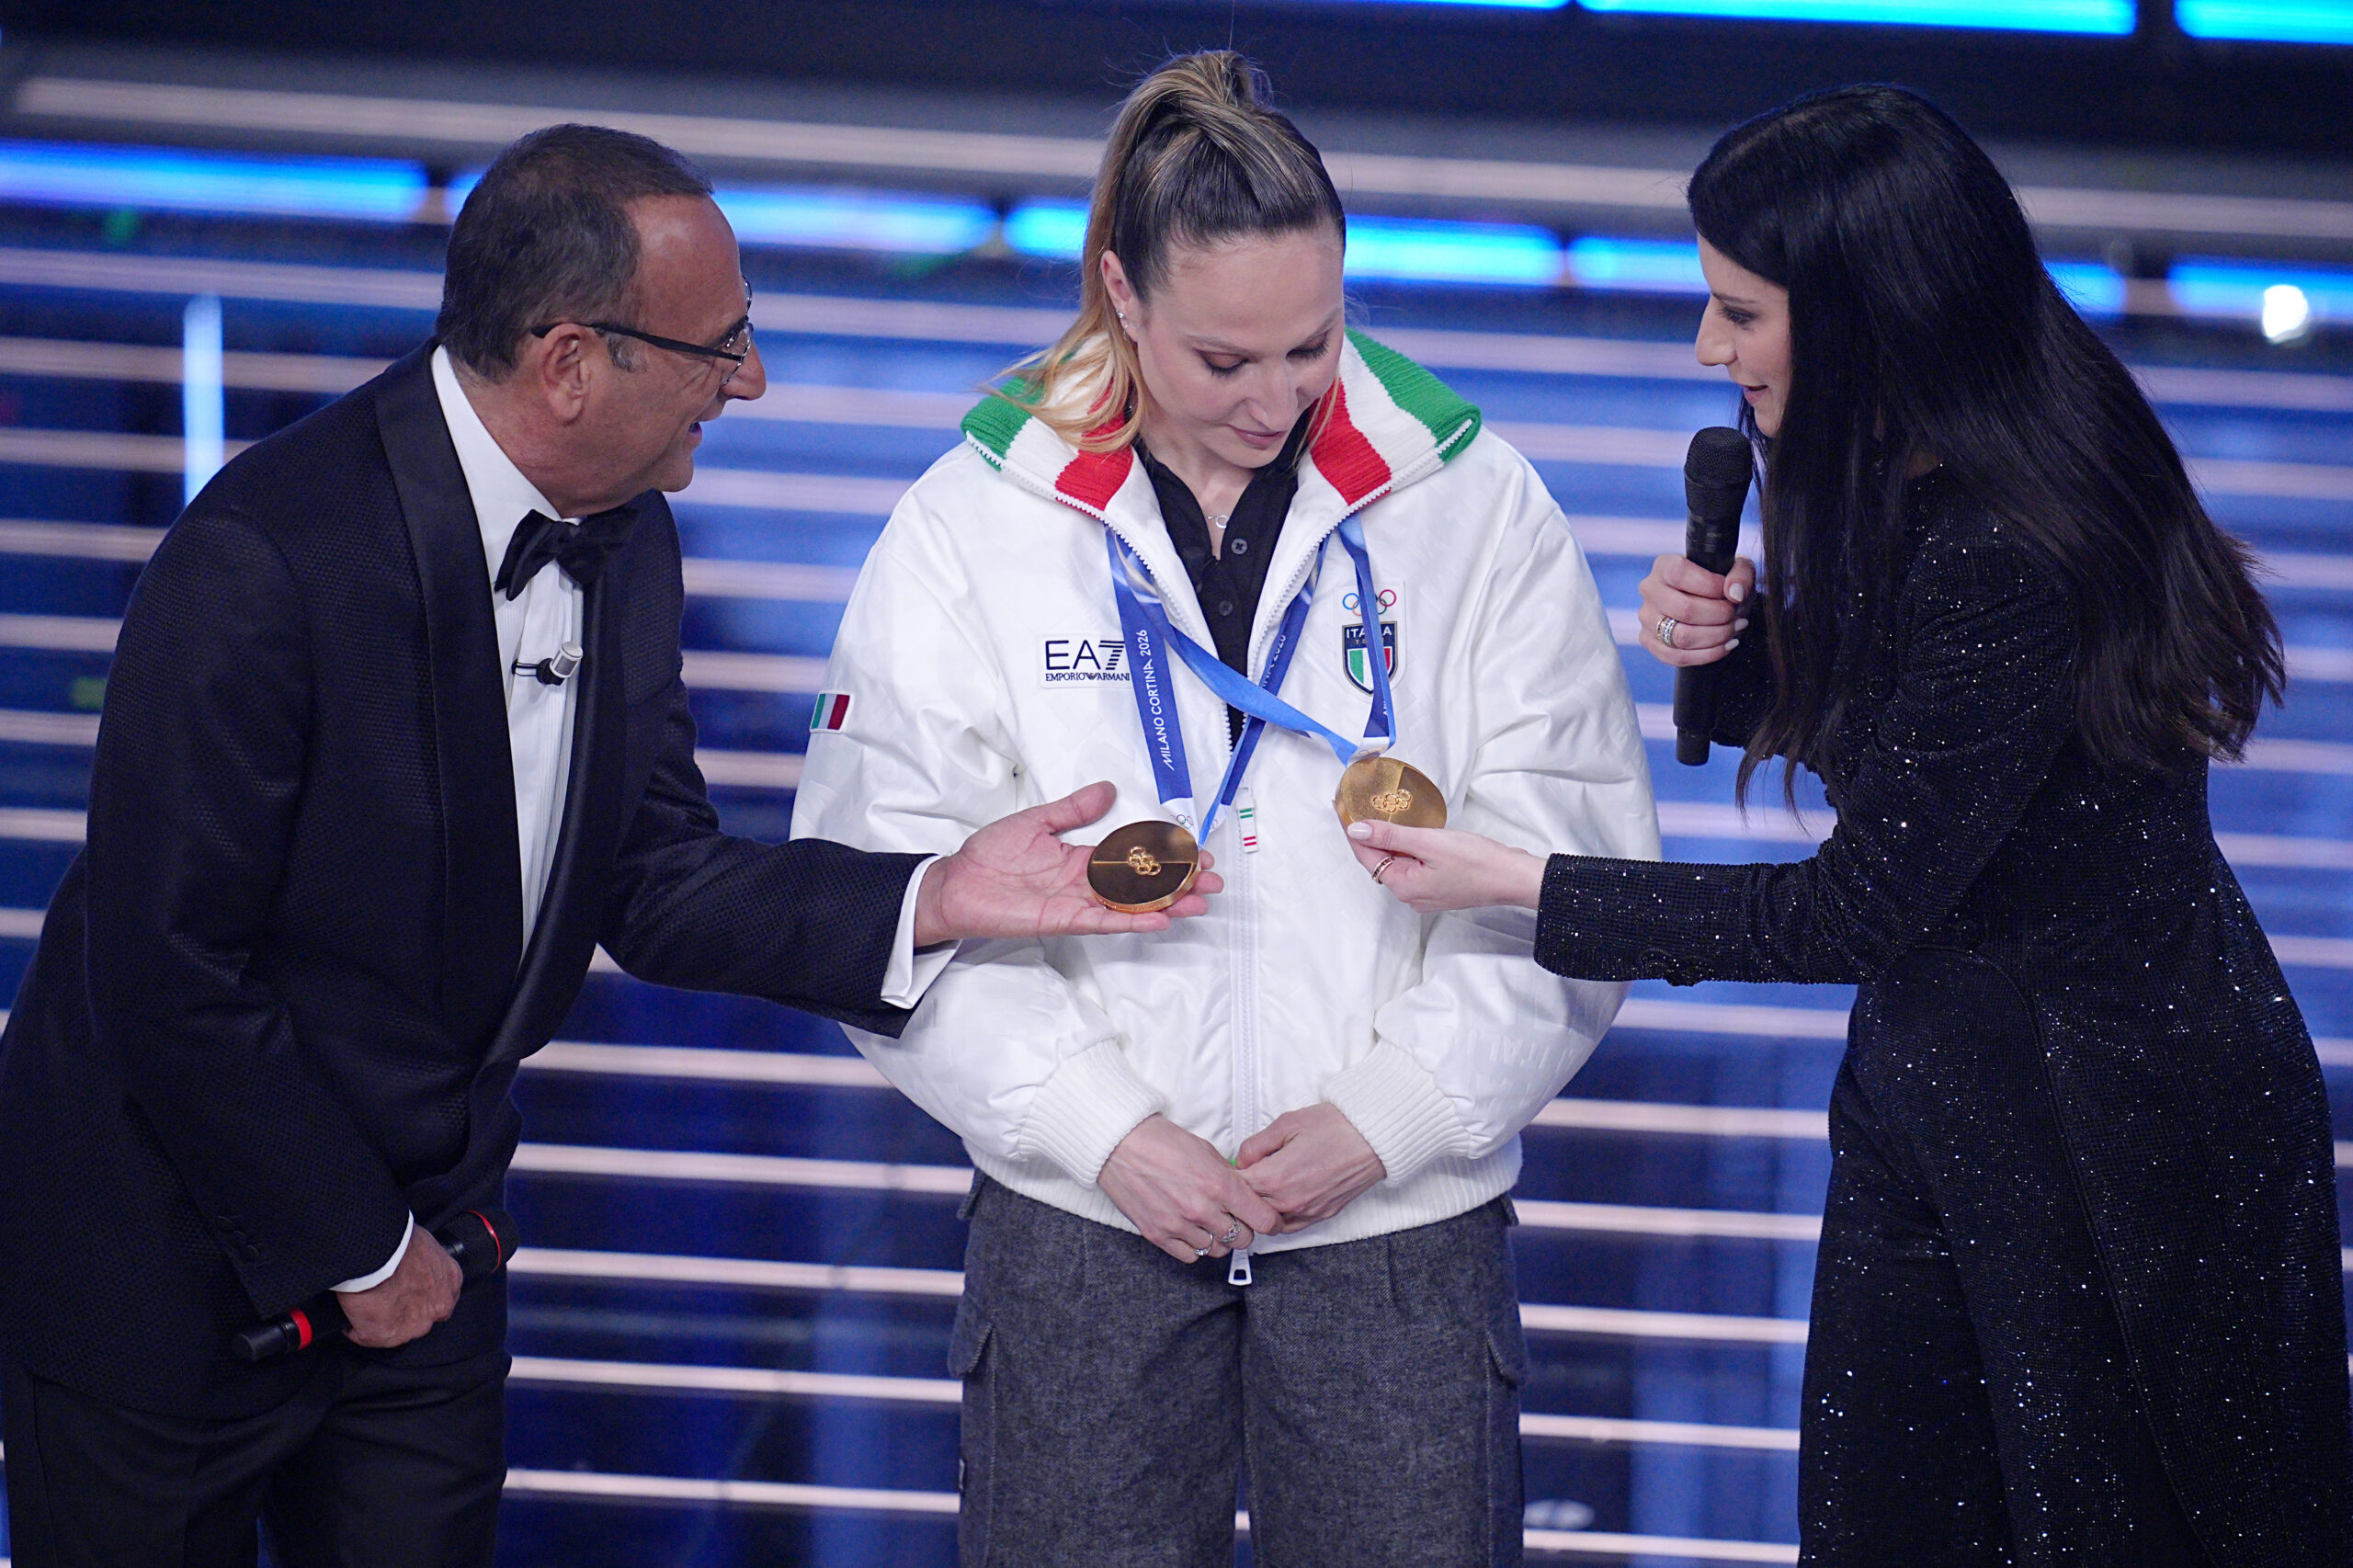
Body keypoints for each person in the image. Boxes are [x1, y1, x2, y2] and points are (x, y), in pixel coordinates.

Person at [0, 124, 1214, 1568]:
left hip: (431, 1258)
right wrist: (361, 1251)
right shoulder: (264, 556)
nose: (750, 380)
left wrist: (940, 892)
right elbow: (168, 974)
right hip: (162, 1266)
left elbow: (653, 878)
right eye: (720, 344)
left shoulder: (628, 534)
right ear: (570, 361)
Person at [1346, 84, 2349, 1565]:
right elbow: (1946, 756)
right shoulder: (1918, 465)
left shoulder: (2007, 536)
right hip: (1938, 1103)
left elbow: (1857, 903)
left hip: (2114, 1144)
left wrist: (1527, 884)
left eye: (1742, 313)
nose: (1710, 347)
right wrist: (1759, 662)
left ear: (1872, 313)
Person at [790, 51, 1656, 1568]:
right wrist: (1101, 1126)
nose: (1277, 400)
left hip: (1399, 1226)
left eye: (1312, 346)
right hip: (1084, 1220)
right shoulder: (973, 521)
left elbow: (1574, 873)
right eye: (1224, 359)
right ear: (1121, 297)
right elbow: (889, 891)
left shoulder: (1476, 506)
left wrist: (1389, 1117)